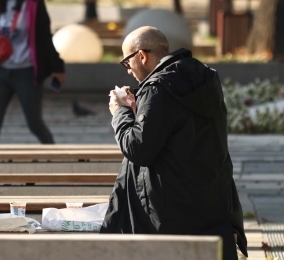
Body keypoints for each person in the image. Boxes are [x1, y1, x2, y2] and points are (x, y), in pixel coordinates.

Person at [101, 27, 247, 260]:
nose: (128, 71)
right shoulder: (205, 78)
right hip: (210, 202)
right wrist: (139, 110)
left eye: (127, 62)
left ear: (142, 55)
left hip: (169, 209)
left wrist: (120, 112)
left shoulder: (157, 88)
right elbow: (181, 132)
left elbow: (138, 149)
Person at [0, 0, 66, 143]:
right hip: (2, 71)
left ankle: (55, 157)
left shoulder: (33, 0)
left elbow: (44, 36)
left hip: (26, 71)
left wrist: (57, 66)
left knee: (34, 123)